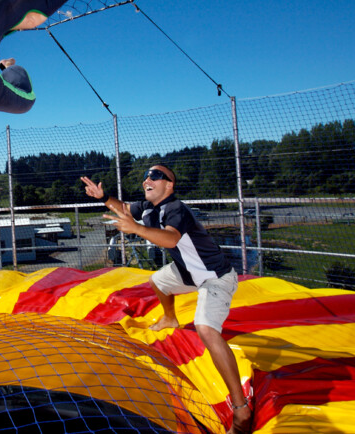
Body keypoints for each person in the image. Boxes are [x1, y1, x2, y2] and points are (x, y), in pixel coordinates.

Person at [80, 166, 251, 434]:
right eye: (147, 177)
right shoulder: (147, 207)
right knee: (158, 281)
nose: (147, 180)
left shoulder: (176, 209)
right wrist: (104, 198)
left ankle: (241, 409)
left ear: (169, 185)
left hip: (215, 277)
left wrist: (135, 229)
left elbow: (171, 239)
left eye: (155, 177)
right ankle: (170, 317)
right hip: (188, 273)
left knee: (205, 328)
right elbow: (123, 208)